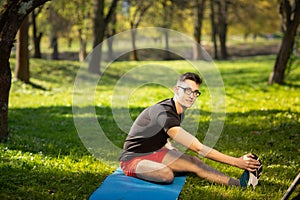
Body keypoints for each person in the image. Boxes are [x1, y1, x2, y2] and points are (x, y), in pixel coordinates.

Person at [119, 72, 261, 187]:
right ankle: (151, 169)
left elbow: (160, 133)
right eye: (187, 90)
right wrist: (236, 161)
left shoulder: (178, 110)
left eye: (195, 92)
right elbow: (199, 148)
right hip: (133, 159)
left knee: (195, 163)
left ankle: (240, 184)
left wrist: (169, 146)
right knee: (166, 175)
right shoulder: (165, 113)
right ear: (176, 89)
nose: (192, 96)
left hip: (157, 151)